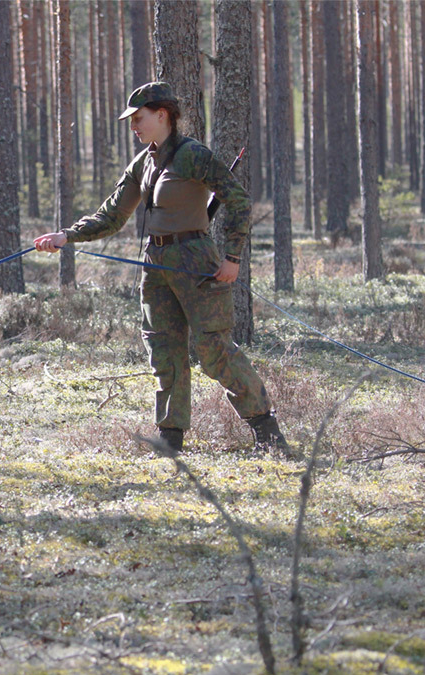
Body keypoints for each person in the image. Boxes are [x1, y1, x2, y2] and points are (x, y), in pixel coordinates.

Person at [34, 81, 290, 456]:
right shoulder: (142, 163)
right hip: (155, 266)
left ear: (162, 115)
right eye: (132, 120)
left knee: (214, 350)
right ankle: (170, 441)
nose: (134, 127)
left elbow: (237, 201)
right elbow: (111, 216)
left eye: (139, 119)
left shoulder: (194, 156)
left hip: (196, 262)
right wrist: (65, 236)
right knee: (164, 352)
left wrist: (232, 258)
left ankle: (267, 433)